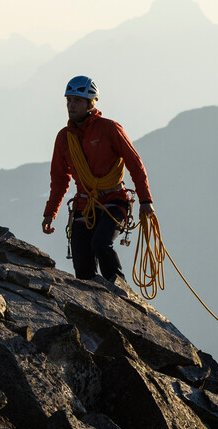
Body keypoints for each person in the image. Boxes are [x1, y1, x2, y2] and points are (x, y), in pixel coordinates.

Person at [41, 76, 155, 284]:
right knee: (82, 264)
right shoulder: (65, 138)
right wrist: (50, 213)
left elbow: (134, 162)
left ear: (90, 103)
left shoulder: (109, 129)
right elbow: (59, 179)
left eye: (77, 100)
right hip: (84, 204)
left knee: (101, 244)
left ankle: (120, 292)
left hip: (114, 200)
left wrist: (145, 200)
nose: (71, 105)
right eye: (69, 100)